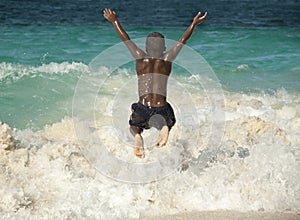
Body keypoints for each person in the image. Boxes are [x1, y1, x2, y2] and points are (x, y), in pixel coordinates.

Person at [103, 8, 207, 158]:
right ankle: (165, 127)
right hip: (162, 108)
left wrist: (114, 21)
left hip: (143, 107)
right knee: (169, 120)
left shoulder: (140, 58)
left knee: (134, 126)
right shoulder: (167, 59)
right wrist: (194, 24)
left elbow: (126, 39)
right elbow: (182, 41)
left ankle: (138, 137)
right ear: (164, 48)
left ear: (146, 47)